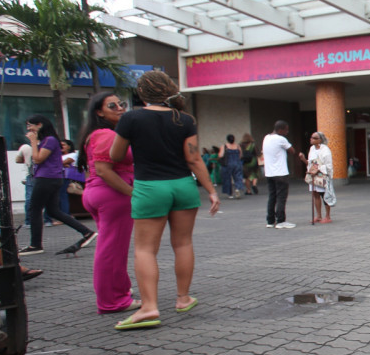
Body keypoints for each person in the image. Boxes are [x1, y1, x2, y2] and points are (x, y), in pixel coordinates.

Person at [109, 70, 220, 330]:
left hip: (150, 187)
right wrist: (211, 191)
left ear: (143, 93)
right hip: (183, 186)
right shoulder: (184, 119)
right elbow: (193, 159)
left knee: (146, 249)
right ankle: (183, 298)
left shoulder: (131, 118)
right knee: (182, 243)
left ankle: (149, 307)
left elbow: (115, 155)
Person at [76, 92, 139, 315]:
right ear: (99, 112)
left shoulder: (97, 134)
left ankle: (120, 292)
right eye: (113, 105)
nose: (120, 108)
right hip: (112, 196)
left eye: (121, 104)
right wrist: (132, 193)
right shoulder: (105, 134)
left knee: (112, 247)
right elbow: (103, 170)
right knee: (112, 249)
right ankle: (112, 300)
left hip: (99, 194)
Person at [19, 115, 96, 256]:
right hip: (51, 178)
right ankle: (87, 232)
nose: (29, 129)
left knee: (34, 209)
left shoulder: (50, 140)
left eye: (31, 125)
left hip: (46, 178)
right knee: (54, 211)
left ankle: (35, 244)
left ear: (40, 125)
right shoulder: (47, 141)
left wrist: (33, 141)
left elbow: (38, 159)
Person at [263, 120, 306, 228]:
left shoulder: (266, 137)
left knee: (272, 196)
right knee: (281, 197)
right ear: (281, 129)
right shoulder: (281, 139)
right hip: (280, 173)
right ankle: (281, 221)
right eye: (286, 130)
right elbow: (292, 151)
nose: (287, 132)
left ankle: (270, 221)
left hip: (269, 173)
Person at [306, 131, 334, 223]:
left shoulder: (325, 150)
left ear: (320, 140)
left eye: (314, 138)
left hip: (322, 175)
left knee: (324, 195)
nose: (311, 139)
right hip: (313, 175)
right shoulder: (311, 149)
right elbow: (310, 162)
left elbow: (328, 165)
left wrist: (317, 169)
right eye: (311, 137)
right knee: (315, 194)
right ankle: (319, 216)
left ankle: (328, 216)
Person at [220, 134, 244, 199]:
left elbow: (220, 155)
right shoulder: (238, 146)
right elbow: (241, 155)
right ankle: (237, 189)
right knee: (238, 177)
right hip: (237, 163)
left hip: (228, 164)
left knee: (227, 178)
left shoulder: (224, 146)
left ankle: (230, 194)